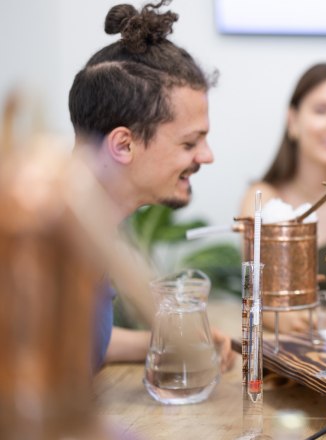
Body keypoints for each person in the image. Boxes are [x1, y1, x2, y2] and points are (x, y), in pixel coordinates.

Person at [68, 0, 234, 372]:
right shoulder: (44, 238)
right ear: (124, 145)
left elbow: (81, 342)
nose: (206, 156)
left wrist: (168, 340)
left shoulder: (91, 223)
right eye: (189, 143)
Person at [239, 62, 326, 332]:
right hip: (293, 347)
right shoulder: (261, 199)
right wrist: (274, 314)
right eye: (322, 110)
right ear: (293, 120)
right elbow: (256, 298)